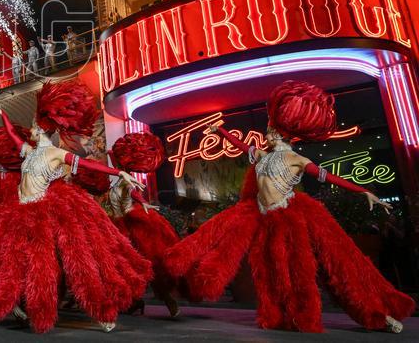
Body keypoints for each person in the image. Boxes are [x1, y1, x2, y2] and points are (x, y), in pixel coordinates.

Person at [165, 81, 414, 333]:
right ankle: (276, 316)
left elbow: (327, 176)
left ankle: (374, 314)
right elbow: (242, 148)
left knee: (305, 269)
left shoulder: (296, 159)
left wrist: (363, 191)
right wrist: (220, 132)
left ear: (279, 133)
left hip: (287, 216)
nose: (266, 134)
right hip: (263, 217)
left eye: (269, 130)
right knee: (268, 272)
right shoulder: (263, 155)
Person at [0, 80, 152, 333]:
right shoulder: (28, 152)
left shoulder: (54, 154)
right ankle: (13, 304)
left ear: (41, 129)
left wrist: (119, 172)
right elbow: (11, 133)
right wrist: (3, 116)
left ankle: (101, 311)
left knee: (69, 262)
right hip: (18, 211)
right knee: (4, 259)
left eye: (32, 126)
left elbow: (89, 165)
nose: (28, 130)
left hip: (43, 211)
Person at [107, 132, 188, 318]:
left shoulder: (126, 182)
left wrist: (142, 202)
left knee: (149, 265)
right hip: (117, 226)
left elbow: (134, 193)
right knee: (124, 268)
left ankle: (168, 301)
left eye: (116, 161)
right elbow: (112, 154)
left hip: (129, 226)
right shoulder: (120, 178)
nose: (113, 162)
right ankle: (134, 302)